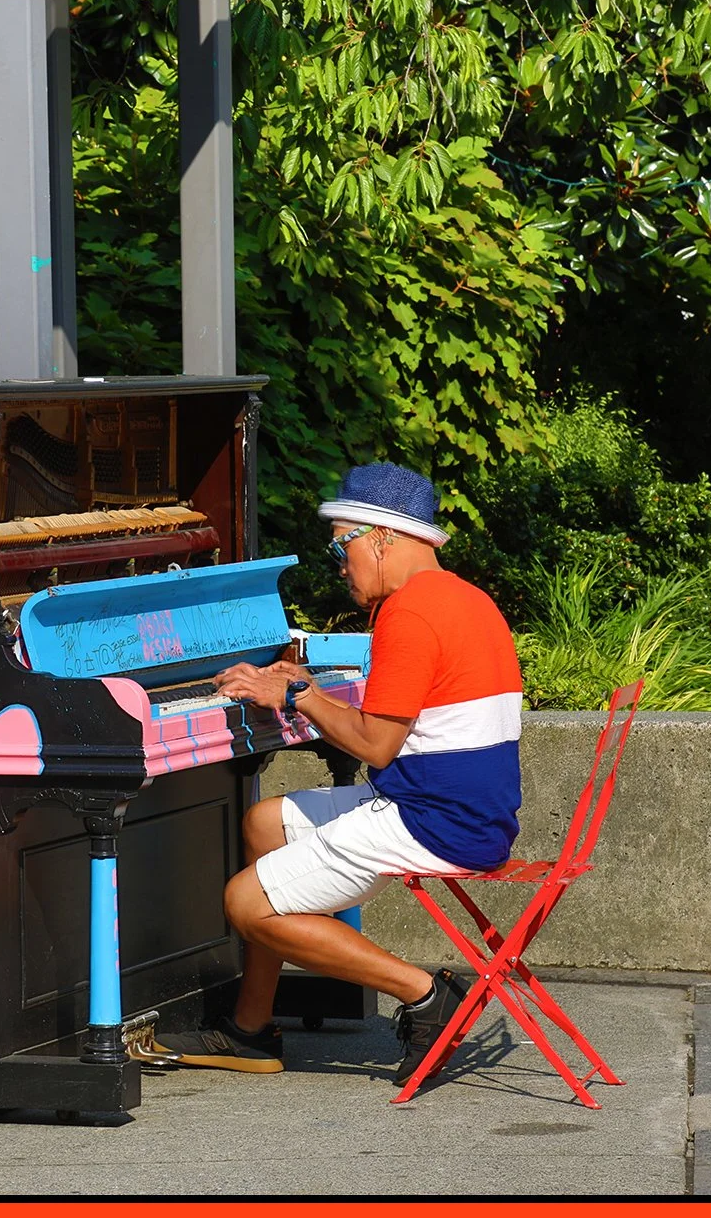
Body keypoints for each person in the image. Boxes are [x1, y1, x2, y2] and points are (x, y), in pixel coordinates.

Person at [150, 462, 523, 1084]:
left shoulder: (410, 613)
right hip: (460, 807)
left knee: (244, 903)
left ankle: (426, 994)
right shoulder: (462, 597)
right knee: (264, 824)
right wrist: (306, 687)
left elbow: (376, 745)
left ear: (382, 538)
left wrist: (296, 696)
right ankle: (250, 1027)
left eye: (342, 543)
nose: (339, 562)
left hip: (437, 821)